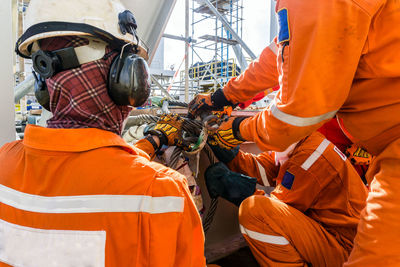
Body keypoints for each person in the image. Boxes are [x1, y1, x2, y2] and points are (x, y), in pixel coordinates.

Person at [189, 1, 400, 265]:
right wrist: (225, 101)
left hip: (342, 240)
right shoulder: (298, 146)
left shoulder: (311, 155)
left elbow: (296, 113)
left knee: (256, 213)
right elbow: (279, 55)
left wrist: (238, 133)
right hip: (386, 155)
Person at [0, 0, 205, 266]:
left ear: (43, 85)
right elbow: (106, 173)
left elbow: (83, 168)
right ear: (123, 78)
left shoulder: (4, 163)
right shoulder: (162, 193)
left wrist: (155, 140)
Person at [205, 131, 368, 266]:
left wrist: (242, 192)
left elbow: (273, 214)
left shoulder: (309, 158)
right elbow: (266, 168)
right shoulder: (301, 141)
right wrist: (232, 156)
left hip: (347, 251)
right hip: (337, 237)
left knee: (255, 211)